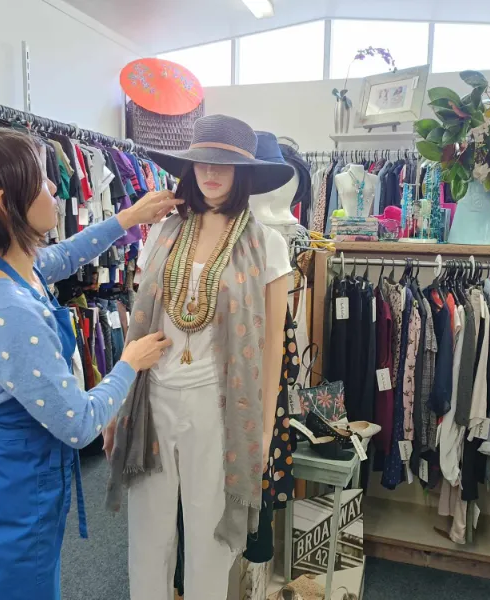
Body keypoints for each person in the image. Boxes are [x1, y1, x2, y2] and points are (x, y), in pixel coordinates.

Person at [0, 128, 179, 600]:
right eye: (44, 182)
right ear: (7, 204)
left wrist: (129, 216)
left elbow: (61, 257)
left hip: (7, 473)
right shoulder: (11, 311)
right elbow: (79, 423)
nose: (54, 191)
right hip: (15, 487)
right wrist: (128, 362)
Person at [104, 115, 295, 599]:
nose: (211, 174)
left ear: (242, 174)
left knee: (211, 538)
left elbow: (274, 343)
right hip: (153, 398)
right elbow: (139, 320)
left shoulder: (267, 245)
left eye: (224, 166)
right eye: (203, 163)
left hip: (218, 407)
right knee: (148, 535)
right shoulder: (162, 233)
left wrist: (267, 424)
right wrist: (117, 397)